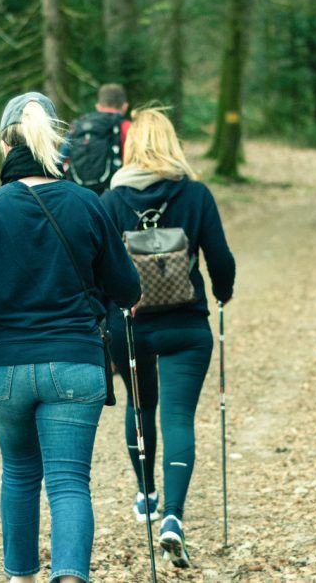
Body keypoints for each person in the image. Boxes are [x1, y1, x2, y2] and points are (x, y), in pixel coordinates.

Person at [0, 92, 141, 583]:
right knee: (69, 483)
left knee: (20, 474)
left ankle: (19, 578)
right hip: (74, 363)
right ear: (56, 145)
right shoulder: (87, 203)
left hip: (3, 369)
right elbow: (126, 288)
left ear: (6, 144)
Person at [100, 107, 236, 569]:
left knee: (140, 408)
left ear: (131, 146)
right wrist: (223, 292)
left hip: (129, 324)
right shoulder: (195, 194)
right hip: (186, 325)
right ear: (173, 143)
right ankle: (173, 518)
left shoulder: (109, 200)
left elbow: (97, 270)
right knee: (178, 418)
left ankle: (147, 494)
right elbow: (221, 259)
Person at [63, 83, 132, 195]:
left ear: (98, 107)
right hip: (115, 194)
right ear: (125, 107)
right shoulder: (127, 128)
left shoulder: (77, 126)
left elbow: (62, 158)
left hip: (80, 195)